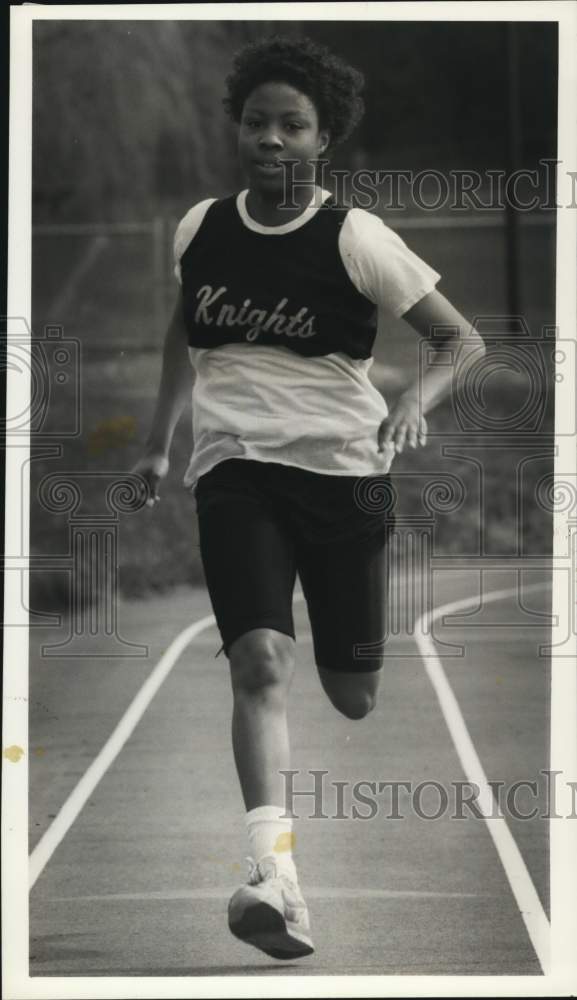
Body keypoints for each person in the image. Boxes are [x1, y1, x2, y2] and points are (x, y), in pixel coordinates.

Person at [132, 35, 485, 961]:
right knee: (257, 662)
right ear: (237, 129)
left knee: (353, 692)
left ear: (324, 138)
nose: (272, 140)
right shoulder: (199, 227)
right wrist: (159, 442)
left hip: (345, 478)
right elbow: (183, 326)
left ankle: (339, 672)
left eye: (293, 125)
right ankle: (274, 874)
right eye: (257, 122)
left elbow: (460, 342)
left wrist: (415, 402)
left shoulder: (355, 237)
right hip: (235, 471)